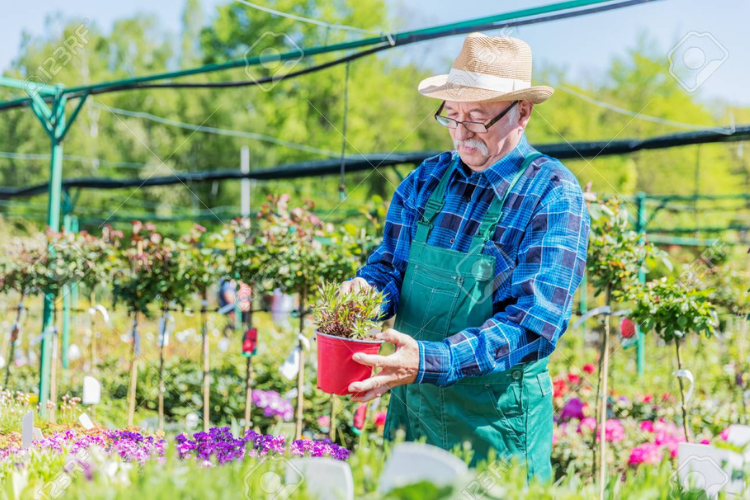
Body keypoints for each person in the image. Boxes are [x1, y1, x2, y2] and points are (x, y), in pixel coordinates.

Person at [340, 34, 590, 480]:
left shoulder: (551, 193)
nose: (461, 132)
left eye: (477, 117)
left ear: (523, 112)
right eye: (451, 117)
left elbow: (535, 324)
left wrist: (431, 360)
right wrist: (363, 294)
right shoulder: (426, 180)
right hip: (412, 412)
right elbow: (389, 267)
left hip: (495, 425)